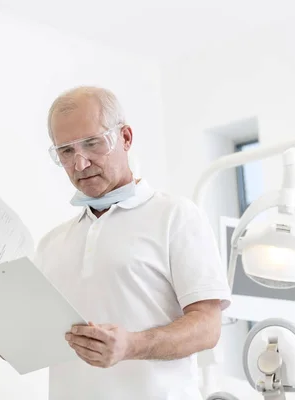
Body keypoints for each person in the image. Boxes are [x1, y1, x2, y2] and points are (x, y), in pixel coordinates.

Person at [35, 86, 231, 399]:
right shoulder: (51, 243)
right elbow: (29, 343)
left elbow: (208, 327)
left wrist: (132, 345)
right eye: (66, 151)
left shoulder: (175, 216)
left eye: (92, 143)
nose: (80, 163)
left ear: (125, 138)